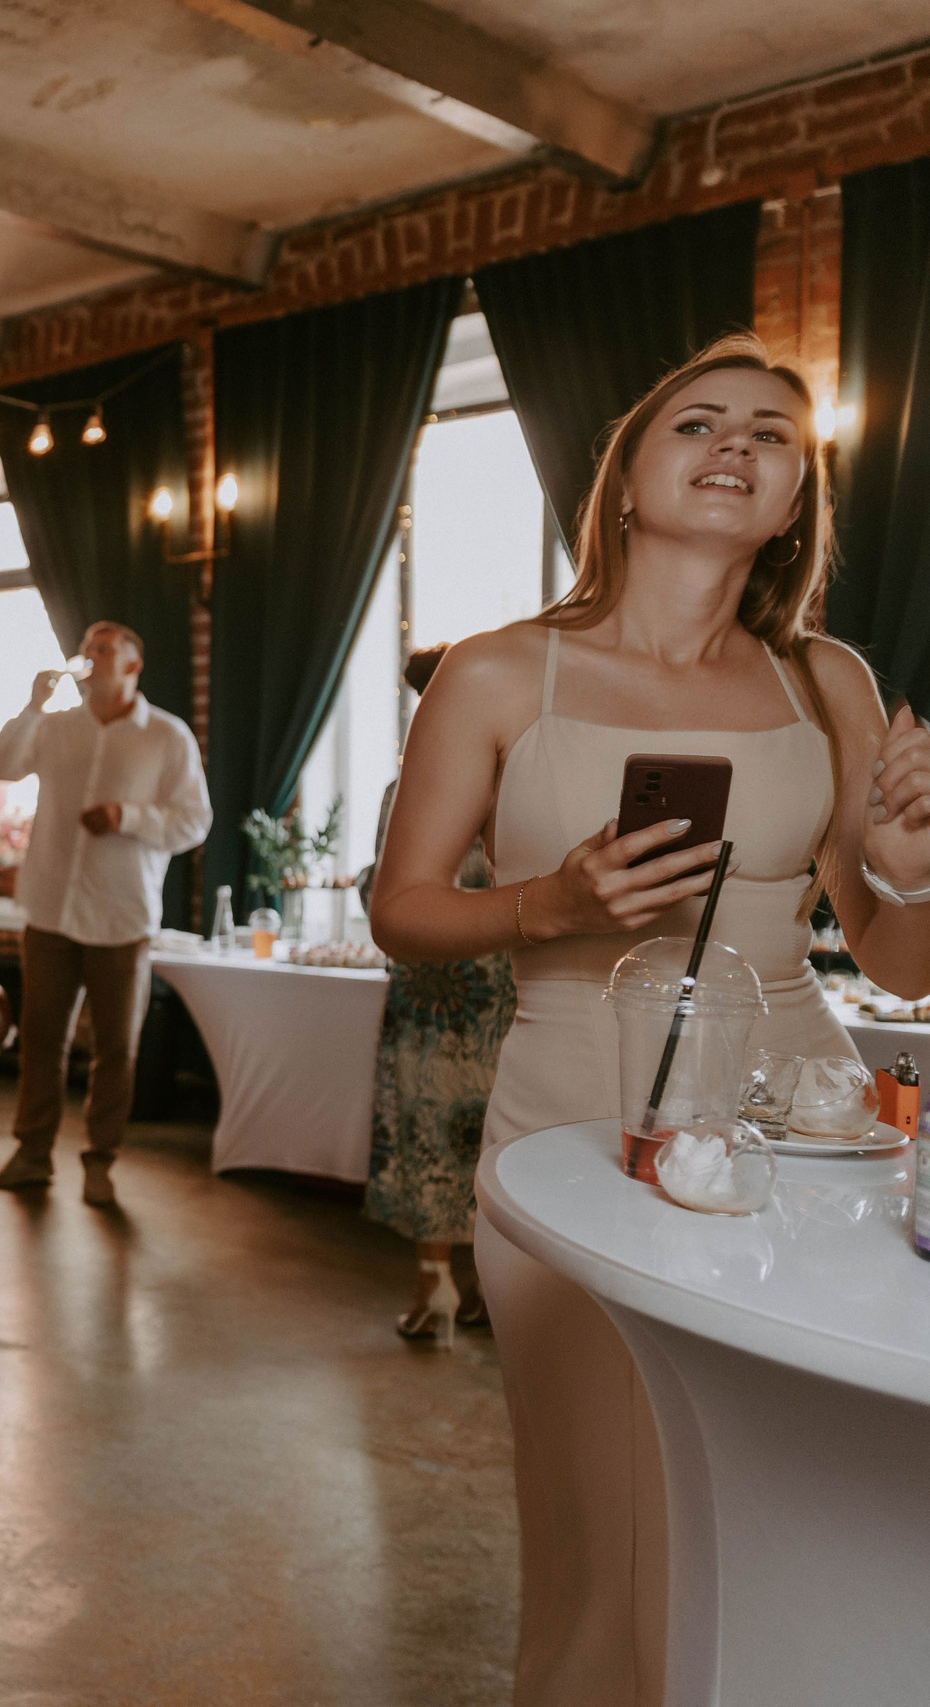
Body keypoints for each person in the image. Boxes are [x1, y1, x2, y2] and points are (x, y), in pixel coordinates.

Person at [371, 334, 930, 1707]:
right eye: (698, 420)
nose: (735, 443)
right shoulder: (501, 673)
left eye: (773, 433)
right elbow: (401, 906)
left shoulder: (830, 682)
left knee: (812, 1503)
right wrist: (549, 903)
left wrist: (914, 863)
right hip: (572, 1102)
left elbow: (900, 961)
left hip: (806, 1121)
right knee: (609, 1510)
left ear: (796, 500)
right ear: (626, 475)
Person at [0, 620, 212, 1206]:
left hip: (121, 914)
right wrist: (33, 704)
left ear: (133, 666)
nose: (90, 656)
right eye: (86, 648)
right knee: (40, 1039)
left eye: (104, 649)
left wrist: (127, 817)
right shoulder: (56, 727)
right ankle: (33, 1154)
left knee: (117, 1047)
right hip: (51, 907)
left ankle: (100, 1160)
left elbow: (195, 821)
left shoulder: (167, 736)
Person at [359, 644, 513, 1346]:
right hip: (484, 994)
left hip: (439, 992)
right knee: (486, 1134)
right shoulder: (518, 782)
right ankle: (478, 1283)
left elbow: (382, 894)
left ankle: (435, 1282)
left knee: (432, 1131)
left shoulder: (411, 787)